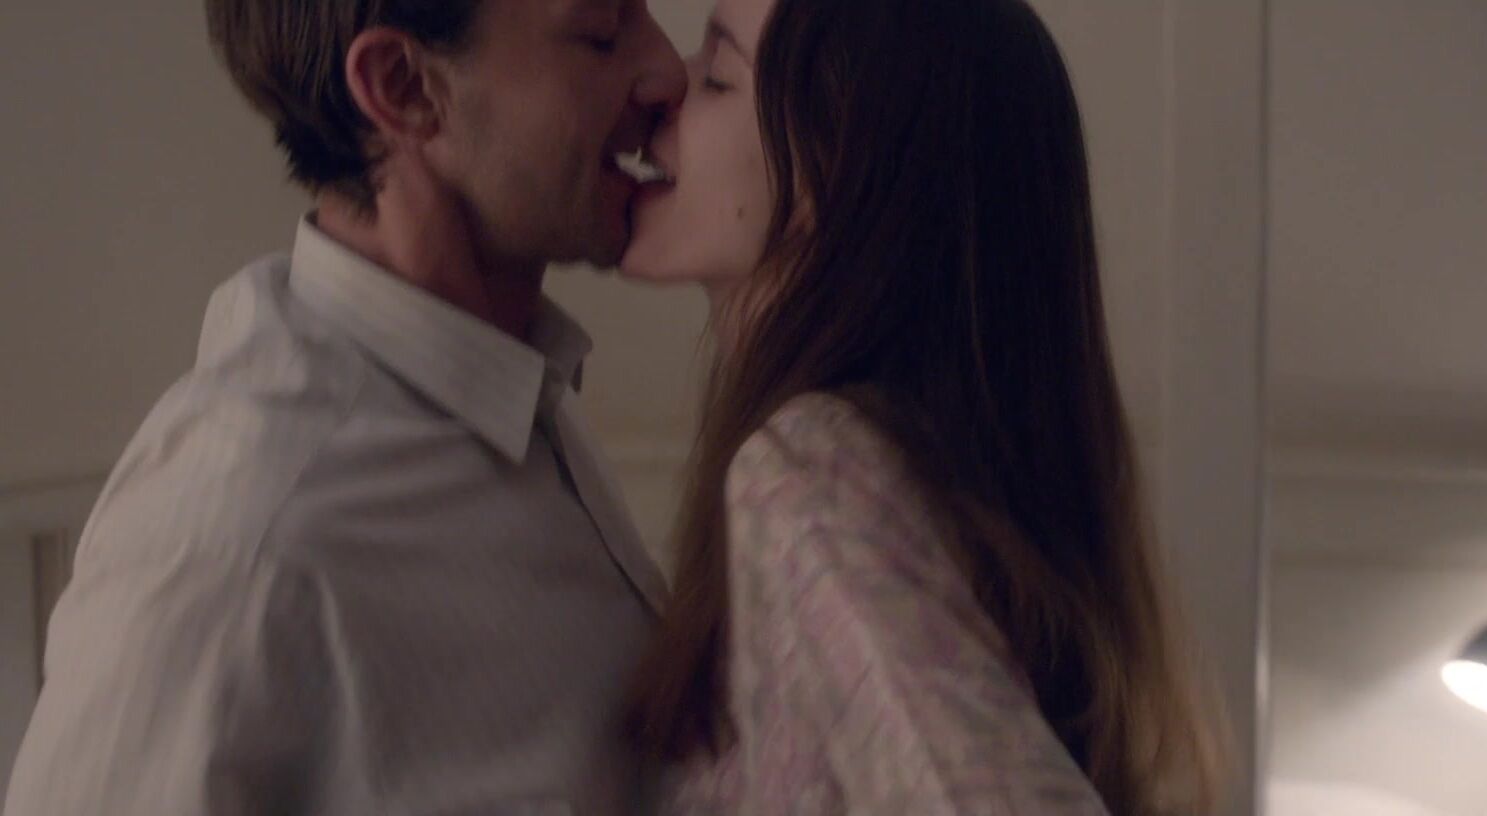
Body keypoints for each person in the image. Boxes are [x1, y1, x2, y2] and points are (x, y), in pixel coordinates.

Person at [5, 1, 683, 813]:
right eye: (601, 34)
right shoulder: (238, 538)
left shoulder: (511, 384)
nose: (666, 70)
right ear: (404, 88)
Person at [617, 0, 1224, 813]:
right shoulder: (919, 482)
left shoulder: (811, 472)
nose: (666, 86)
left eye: (719, 77)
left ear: (831, 169)